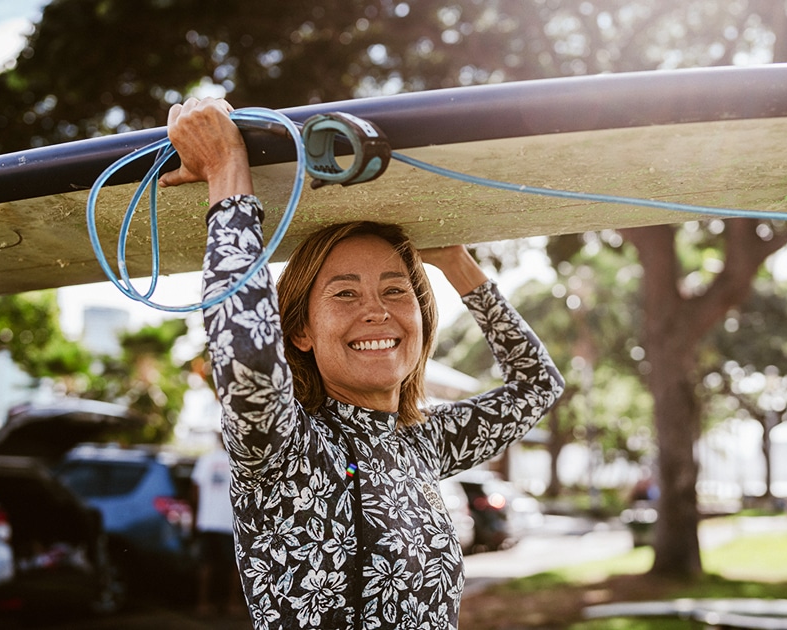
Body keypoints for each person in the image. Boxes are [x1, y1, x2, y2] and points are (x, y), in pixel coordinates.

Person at [159, 96, 565, 629]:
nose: (377, 312)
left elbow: (538, 385)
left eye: (396, 291)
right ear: (300, 332)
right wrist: (227, 172)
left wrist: (456, 263)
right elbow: (250, 365)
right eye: (345, 295)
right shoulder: (285, 448)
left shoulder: (422, 442)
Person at [190, 431, 242, 617]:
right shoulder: (238, 460)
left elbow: (195, 489)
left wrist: (197, 515)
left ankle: (203, 604)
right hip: (229, 522)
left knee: (206, 564)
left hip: (208, 521)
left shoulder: (206, 460)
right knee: (234, 565)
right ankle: (233, 604)